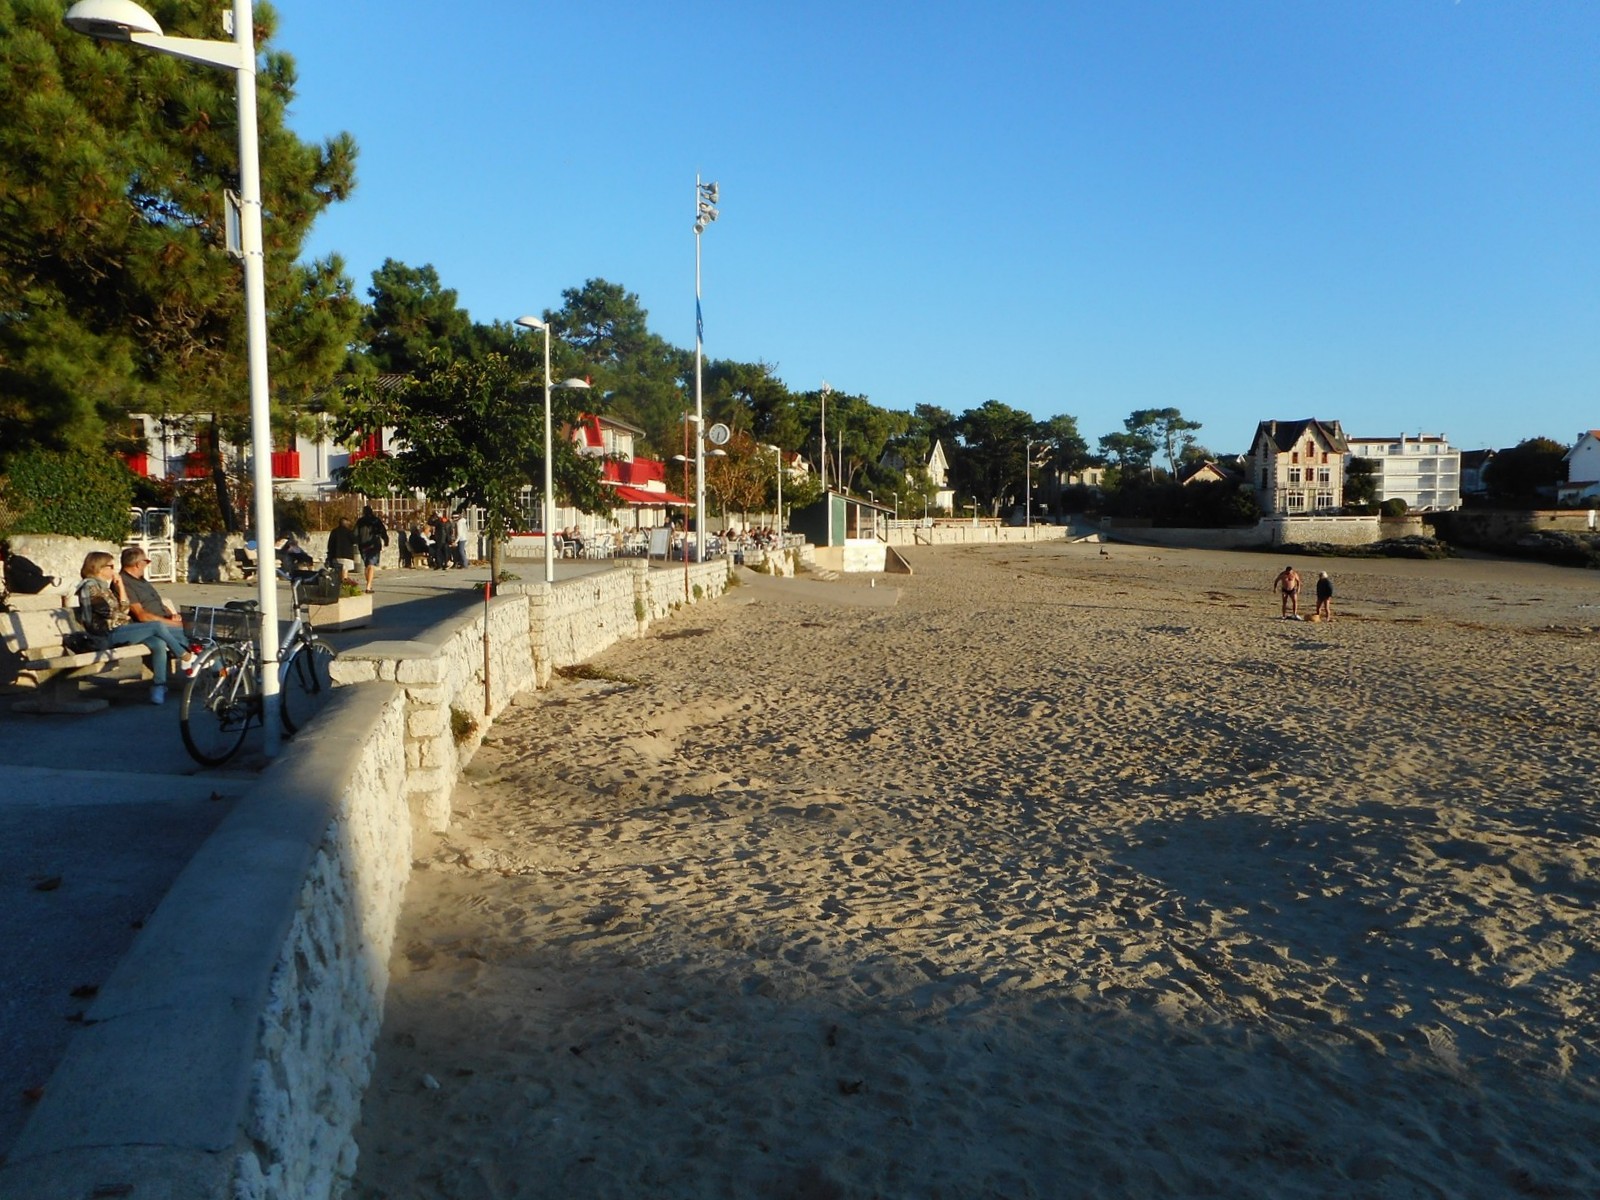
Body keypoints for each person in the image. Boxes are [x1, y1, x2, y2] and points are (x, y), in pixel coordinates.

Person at [84, 551, 193, 705]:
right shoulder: (90, 587)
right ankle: (183, 654)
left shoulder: (105, 587)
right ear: (98, 568)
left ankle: (158, 686)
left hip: (121, 628)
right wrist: (123, 613)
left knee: (158, 643)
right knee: (157, 626)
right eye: (110, 566)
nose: (114, 570)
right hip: (107, 634)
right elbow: (110, 613)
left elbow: (123, 609)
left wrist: (120, 586)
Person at [354, 504, 389, 593]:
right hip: (374, 545)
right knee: (371, 565)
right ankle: (368, 586)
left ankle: (369, 584)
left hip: (363, 546)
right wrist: (386, 540)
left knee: (367, 565)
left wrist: (355, 542)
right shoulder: (376, 521)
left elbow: (355, 534)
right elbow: (383, 531)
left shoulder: (360, 521)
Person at [326, 516, 359, 585]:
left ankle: (338, 585)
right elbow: (355, 541)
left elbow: (330, 544)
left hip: (336, 556)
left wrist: (329, 555)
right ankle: (343, 587)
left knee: (338, 572)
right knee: (345, 572)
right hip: (346, 556)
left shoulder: (334, 532)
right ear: (346, 524)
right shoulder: (349, 532)